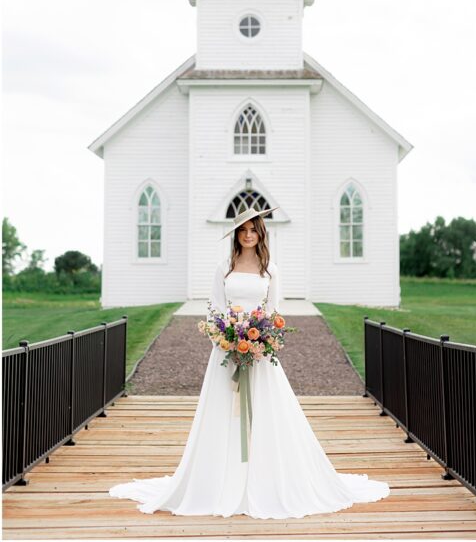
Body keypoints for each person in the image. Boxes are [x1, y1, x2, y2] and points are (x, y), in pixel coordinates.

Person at [108, 204, 390, 518]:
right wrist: (225, 338)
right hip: (226, 351)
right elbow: (214, 309)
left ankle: (264, 478)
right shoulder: (224, 269)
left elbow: (272, 312)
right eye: (243, 230)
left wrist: (260, 340)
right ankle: (220, 478)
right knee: (223, 413)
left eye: (253, 230)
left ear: (261, 233)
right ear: (236, 235)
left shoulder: (271, 271)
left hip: (258, 353)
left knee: (265, 413)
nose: (248, 235)